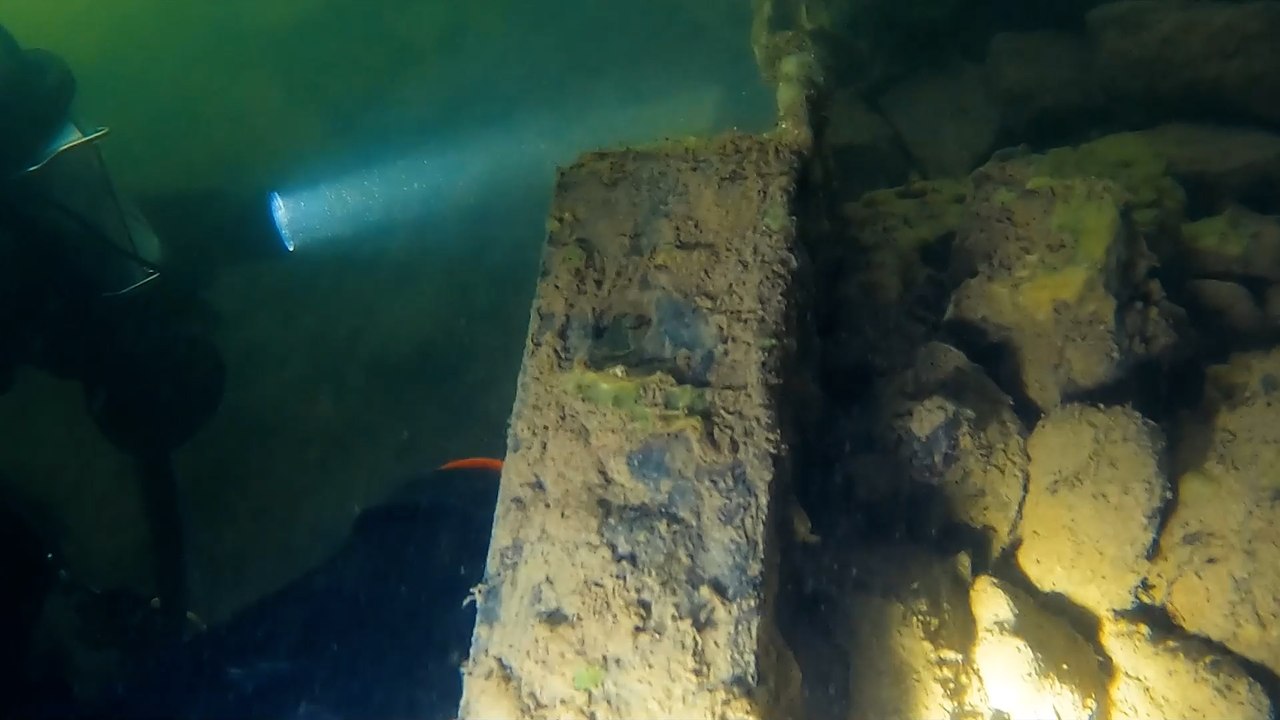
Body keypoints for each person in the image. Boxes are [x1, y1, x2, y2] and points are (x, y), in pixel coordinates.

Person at [0, 23, 226, 650]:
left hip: (68, 282)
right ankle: (171, 617)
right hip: (71, 271)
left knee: (130, 342)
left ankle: (169, 618)